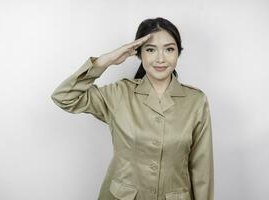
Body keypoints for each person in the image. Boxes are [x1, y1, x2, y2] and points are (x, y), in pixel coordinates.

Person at [51, 17, 214, 200]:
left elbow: (202, 170)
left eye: (169, 49)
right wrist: (105, 61)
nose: (160, 58)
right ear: (138, 54)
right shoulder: (119, 94)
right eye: (150, 50)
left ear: (178, 53)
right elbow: (64, 97)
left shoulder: (196, 101)